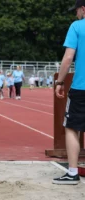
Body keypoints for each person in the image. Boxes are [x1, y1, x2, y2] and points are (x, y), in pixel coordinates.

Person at [52, 0, 85, 185]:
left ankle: (72, 173)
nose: (76, 15)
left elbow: (68, 57)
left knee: (72, 127)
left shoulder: (77, 26)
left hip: (82, 86)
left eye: (77, 11)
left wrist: (60, 81)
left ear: (83, 9)